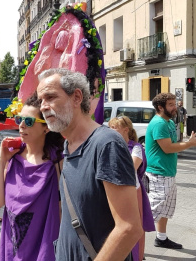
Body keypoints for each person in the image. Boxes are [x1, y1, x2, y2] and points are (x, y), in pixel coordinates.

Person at [37, 68, 143, 260]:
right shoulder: (68, 146)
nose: (43, 106)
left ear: (77, 97)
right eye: (41, 100)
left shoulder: (106, 144)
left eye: (50, 97)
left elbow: (129, 228)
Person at [0, 93, 64, 260]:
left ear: (46, 127)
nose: (21, 126)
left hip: (44, 248)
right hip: (12, 248)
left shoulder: (58, 161)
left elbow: (61, 209)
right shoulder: (11, 156)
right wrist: (2, 161)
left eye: (29, 121)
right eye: (19, 120)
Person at [145, 93, 196, 249]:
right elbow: (167, 148)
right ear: (160, 107)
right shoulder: (159, 123)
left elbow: (174, 143)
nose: (176, 107)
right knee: (151, 211)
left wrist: (188, 142)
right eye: (171, 105)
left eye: (175, 104)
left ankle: (161, 238)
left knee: (165, 209)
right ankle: (130, 243)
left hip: (167, 173)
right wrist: (190, 144)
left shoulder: (168, 122)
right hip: (157, 174)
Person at [109, 116, 155, 261]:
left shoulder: (136, 147)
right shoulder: (111, 146)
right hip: (114, 190)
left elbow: (131, 168)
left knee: (133, 225)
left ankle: (136, 257)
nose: (111, 131)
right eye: (110, 128)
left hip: (132, 192)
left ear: (125, 130)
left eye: (114, 128)